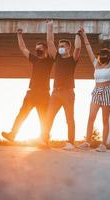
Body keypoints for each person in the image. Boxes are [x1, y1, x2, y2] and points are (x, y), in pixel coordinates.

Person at [1, 28, 53, 142]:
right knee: (22, 114)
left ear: (45, 50)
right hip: (32, 92)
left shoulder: (49, 60)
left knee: (44, 118)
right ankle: (12, 134)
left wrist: (49, 29)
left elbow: (50, 42)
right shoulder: (34, 59)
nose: (37, 50)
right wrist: (19, 35)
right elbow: (23, 48)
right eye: (36, 48)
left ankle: (45, 139)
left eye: (40, 48)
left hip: (44, 94)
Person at [41, 20, 81, 150]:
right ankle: (44, 140)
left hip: (68, 92)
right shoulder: (57, 57)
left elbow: (79, 48)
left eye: (63, 46)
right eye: (60, 46)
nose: (60, 47)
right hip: (55, 92)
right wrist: (49, 26)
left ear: (68, 48)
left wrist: (78, 34)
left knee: (69, 118)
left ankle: (70, 142)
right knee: (48, 116)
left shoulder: (72, 59)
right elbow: (49, 41)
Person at [77, 26, 110, 152]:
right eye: (101, 54)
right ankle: (87, 142)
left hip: (106, 92)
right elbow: (88, 48)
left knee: (104, 120)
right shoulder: (96, 64)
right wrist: (84, 35)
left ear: (108, 56)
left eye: (105, 54)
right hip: (96, 92)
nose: (102, 56)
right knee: (91, 118)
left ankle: (103, 145)